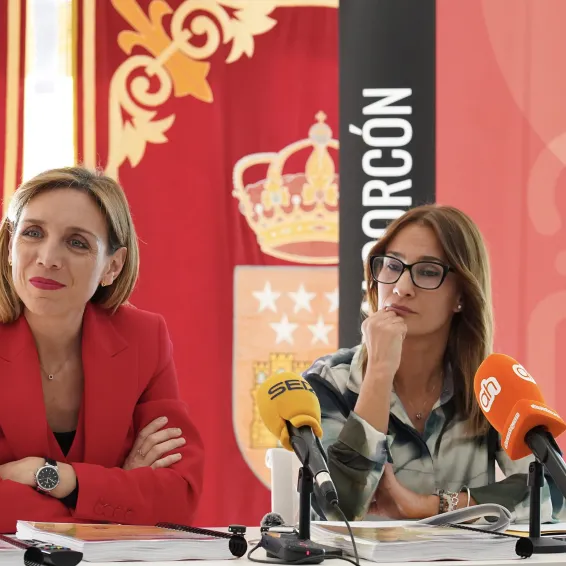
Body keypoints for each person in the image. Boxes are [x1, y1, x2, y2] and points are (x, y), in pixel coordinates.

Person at [304, 204, 564, 523]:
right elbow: (337, 509)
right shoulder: (328, 382)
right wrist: (379, 372)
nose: (401, 288)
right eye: (391, 265)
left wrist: (431, 506)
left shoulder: (490, 386)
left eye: (427, 271)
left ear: (462, 296)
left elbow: (555, 492)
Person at [0, 166, 204, 533]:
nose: (48, 257)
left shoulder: (144, 338)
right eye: (33, 233)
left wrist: (54, 477)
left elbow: (178, 497)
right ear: (10, 246)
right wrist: (118, 491)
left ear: (112, 266)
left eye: (77, 242)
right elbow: (151, 503)